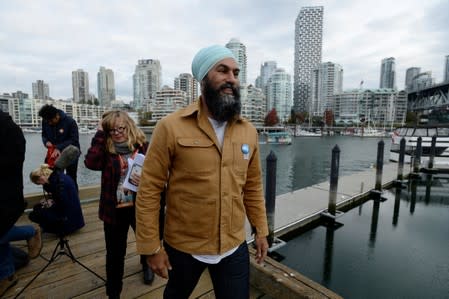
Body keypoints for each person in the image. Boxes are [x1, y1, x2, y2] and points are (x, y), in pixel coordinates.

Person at [135, 45, 269, 299]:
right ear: (203, 78)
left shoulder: (248, 131)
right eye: (223, 70)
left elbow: (252, 186)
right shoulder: (170, 127)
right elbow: (149, 189)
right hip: (184, 247)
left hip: (233, 246)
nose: (232, 78)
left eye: (236, 72)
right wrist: (151, 247)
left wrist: (261, 229)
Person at [84, 110, 154, 298]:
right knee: (115, 254)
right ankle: (113, 291)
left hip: (141, 206)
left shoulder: (142, 145)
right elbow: (90, 162)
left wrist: (145, 178)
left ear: (129, 126)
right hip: (114, 210)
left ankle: (146, 264)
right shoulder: (106, 149)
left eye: (120, 128)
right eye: (111, 130)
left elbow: (156, 172)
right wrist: (99, 133)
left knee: (145, 240)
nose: (116, 133)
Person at [0, 109, 42, 296]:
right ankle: (7, 275)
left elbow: (12, 161)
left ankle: (30, 231)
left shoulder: (10, 130)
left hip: (5, 193)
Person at [29, 164, 85, 235]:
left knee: (33, 214)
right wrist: (51, 200)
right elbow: (62, 198)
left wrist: (50, 204)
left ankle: (54, 228)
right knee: (37, 207)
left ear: (40, 178)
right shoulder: (58, 176)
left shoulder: (57, 184)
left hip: (68, 219)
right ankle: (51, 226)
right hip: (75, 217)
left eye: (39, 183)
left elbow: (63, 205)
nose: (41, 185)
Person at [38, 104, 80, 189]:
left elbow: (74, 139)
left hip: (70, 153)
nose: (49, 123)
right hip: (53, 154)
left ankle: (73, 199)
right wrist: (46, 142)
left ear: (57, 115)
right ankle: (54, 199)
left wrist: (58, 147)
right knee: (52, 177)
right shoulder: (45, 121)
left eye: (51, 121)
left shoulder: (70, 121)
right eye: (47, 121)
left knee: (71, 177)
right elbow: (44, 134)